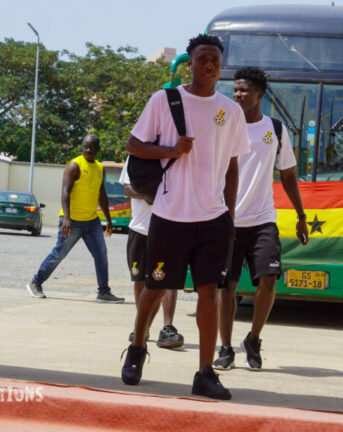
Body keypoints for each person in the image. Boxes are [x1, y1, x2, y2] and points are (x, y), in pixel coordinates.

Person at [120, 34, 249, 400]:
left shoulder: (232, 111)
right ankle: (137, 349)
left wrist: (230, 212)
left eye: (216, 61)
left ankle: (205, 373)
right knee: (155, 286)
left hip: (213, 218)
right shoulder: (165, 100)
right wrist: (171, 150)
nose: (209, 65)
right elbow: (133, 145)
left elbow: (233, 165)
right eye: (203, 58)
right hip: (169, 213)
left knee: (209, 291)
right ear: (189, 63)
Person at [214, 67, 309, 371]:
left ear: (259, 94)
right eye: (236, 89)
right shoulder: (222, 124)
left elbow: (289, 174)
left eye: (244, 90)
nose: (238, 94)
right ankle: (226, 348)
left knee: (268, 280)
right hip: (226, 219)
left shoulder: (276, 130)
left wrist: (301, 215)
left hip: (262, 220)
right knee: (226, 287)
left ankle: (253, 339)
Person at [27, 134, 124, 304]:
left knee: (101, 255)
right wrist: (66, 218)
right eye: (85, 147)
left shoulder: (100, 168)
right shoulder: (74, 166)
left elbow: (102, 195)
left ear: (98, 149)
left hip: (92, 221)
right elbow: (65, 193)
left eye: (92, 147)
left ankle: (103, 292)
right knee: (59, 254)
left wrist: (108, 220)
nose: (88, 150)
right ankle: (36, 282)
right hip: (73, 221)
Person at [119, 157, 184, 348]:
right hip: (140, 228)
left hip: (167, 227)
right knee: (139, 279)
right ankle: (143, 325)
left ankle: (168, 327)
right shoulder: (136, 157)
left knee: (167, 279)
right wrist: (151, 194)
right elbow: (127, 188)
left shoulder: (174, 156)